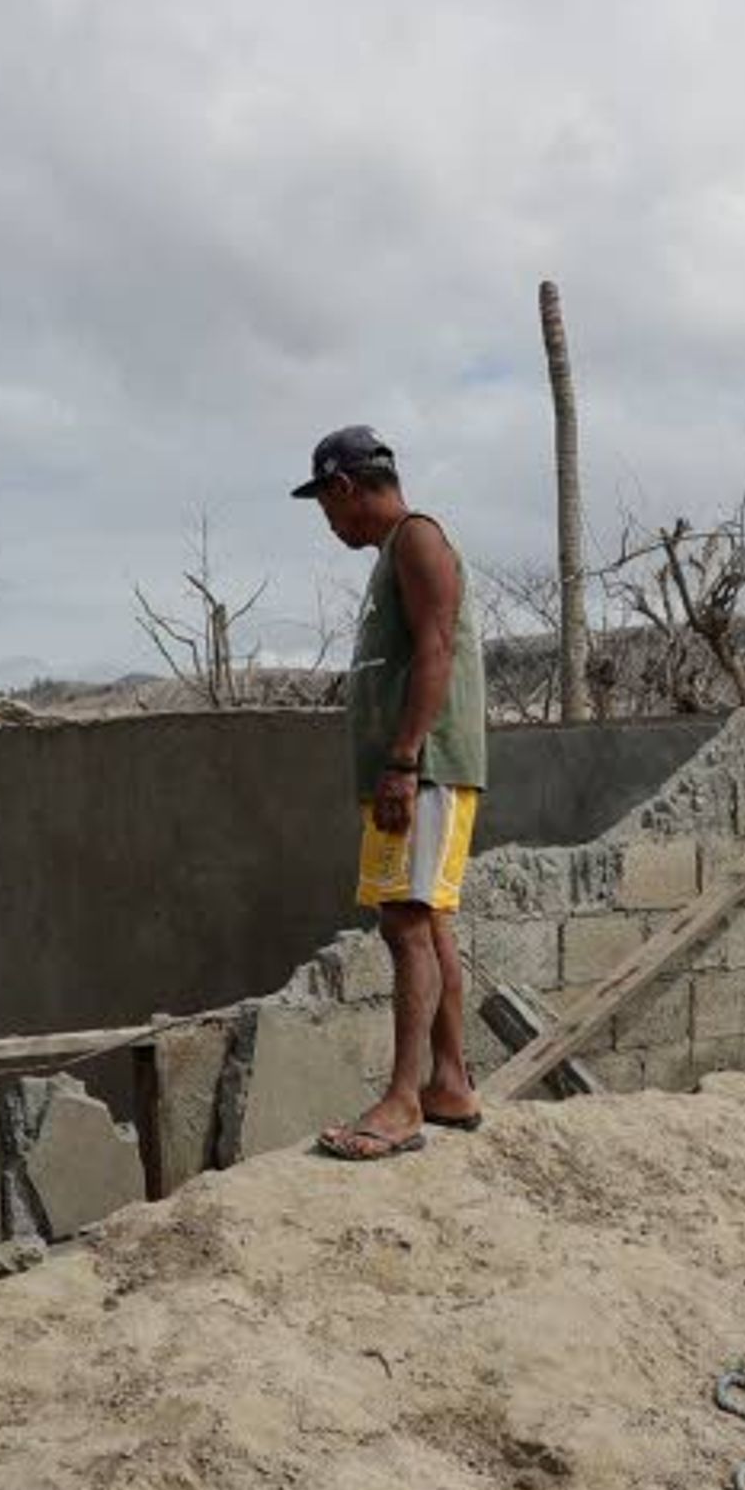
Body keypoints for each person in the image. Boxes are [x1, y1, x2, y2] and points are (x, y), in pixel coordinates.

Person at [294, 424, 487, 1160]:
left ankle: (404, 1102)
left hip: (425, 766)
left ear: (345, 488)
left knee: (405, 925)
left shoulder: (417, 539)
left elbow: (437, 649)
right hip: (415, 767)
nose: (330, 524)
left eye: (327, 508)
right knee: (428, 922)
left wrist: (404, 760)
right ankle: (449, 1085)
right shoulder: (395, 553)